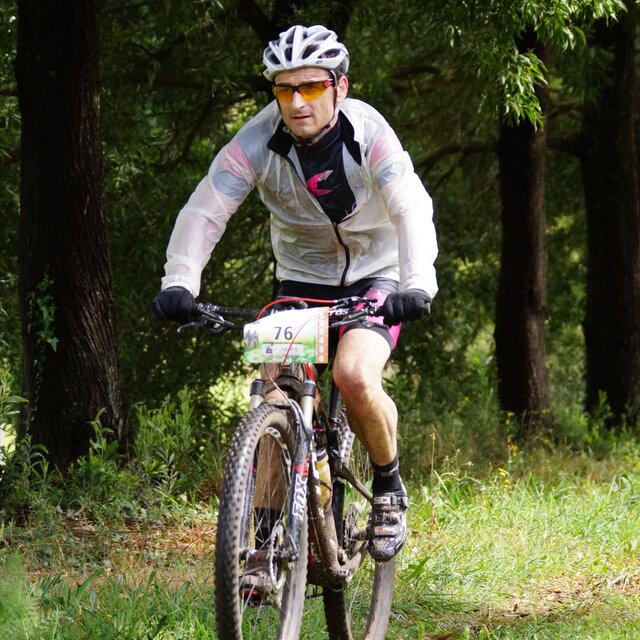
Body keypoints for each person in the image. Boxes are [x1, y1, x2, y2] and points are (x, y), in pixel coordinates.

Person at [152, 24, 438, 562]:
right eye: (285, 90)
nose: (297, 102)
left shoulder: (369, 132)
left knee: (354, 375)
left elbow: (409, 205)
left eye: (310, 87)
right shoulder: (257, 141)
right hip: (301, 278)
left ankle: (388, 486)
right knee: (273, 398)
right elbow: (206, 209)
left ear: (340, 87)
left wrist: (417, 282)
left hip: (377, 273)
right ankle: (262, 546)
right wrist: (180, 282)